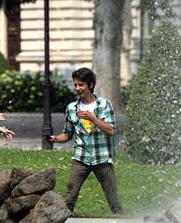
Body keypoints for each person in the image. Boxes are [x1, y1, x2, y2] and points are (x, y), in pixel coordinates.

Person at [47, 67, 124, 214]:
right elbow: (67, 134)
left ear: (91, 85)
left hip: (102, 157)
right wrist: (55, 139)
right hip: (81, 157)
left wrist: (92, 118)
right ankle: (64, 220)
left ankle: (120, 219)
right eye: (75, 84)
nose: (77, 88)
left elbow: (111, 130)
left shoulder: (104, 105)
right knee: (70, 192)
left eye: (81, 84)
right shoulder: (71, 108)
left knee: (112, 196)